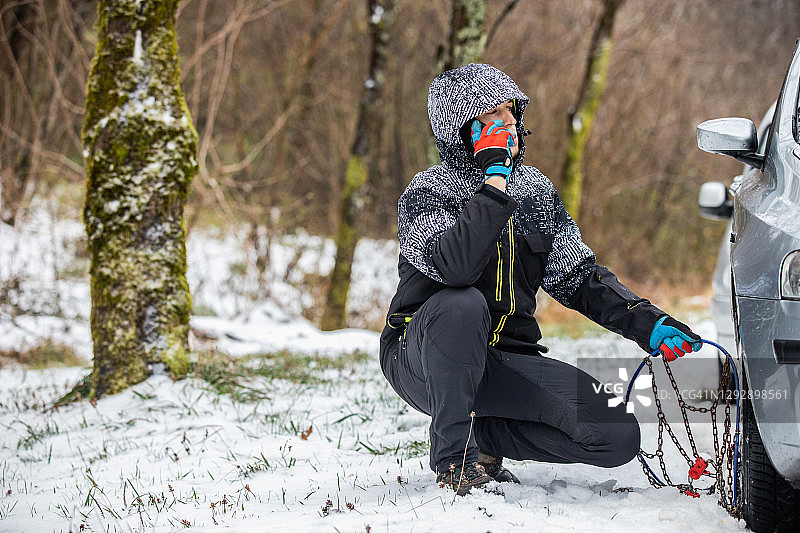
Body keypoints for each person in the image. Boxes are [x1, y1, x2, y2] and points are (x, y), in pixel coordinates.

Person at [378, 63, 702, 495]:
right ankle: (453, 460)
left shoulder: (536, 192)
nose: (511, 123)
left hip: (504, 359)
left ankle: (486, 437)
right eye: (494, 115)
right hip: (421, 359)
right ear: (463, 130)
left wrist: (646, 321)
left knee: (616, 435)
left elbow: (579, 276)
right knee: (462, 303)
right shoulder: (428, 192)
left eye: (512, 113)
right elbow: (455, 268)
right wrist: (494, 184)